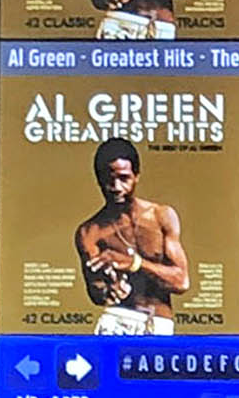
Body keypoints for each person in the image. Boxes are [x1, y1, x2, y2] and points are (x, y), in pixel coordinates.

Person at [76, 136, 190, 334]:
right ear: (98, 179)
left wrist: (134, 263)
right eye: (108, 179)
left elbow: (181, 281)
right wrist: (108, 290)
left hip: (158, 321)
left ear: (136, 175)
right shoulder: (89, 232)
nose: (116, 187)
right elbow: (95, 291)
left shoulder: (161, 216)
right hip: (115, 322)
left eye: (124, 178)